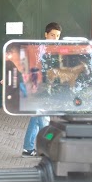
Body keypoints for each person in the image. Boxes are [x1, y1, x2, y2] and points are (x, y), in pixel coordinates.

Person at [22, 22, 62, 157]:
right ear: (46, 35)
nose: (55, 38)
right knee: (44, 121)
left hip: (48, 89)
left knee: (36, 118)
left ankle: (28, 148)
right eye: (52, 35)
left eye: (57, 36)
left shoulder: (56, 50)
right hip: (39, 89)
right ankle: (46, 149)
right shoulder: (38, 49)